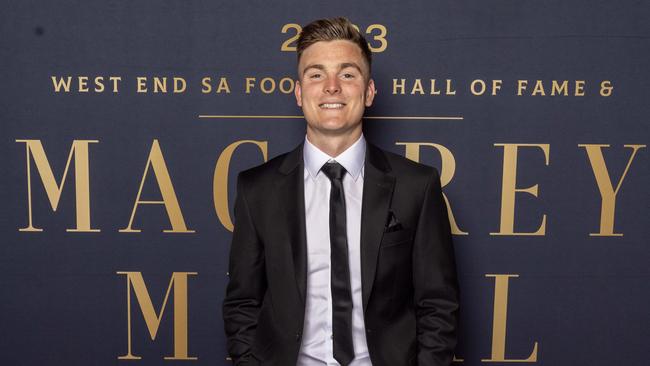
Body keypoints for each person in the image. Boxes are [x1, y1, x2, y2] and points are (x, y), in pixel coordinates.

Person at [223, 17, 459, 366]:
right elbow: (243, 303)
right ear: (299, 93)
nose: (332, 86)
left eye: (347, 74)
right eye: (316, 74)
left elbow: (438, 304)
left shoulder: (417, 186)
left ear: (369, 92)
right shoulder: (257, 188)